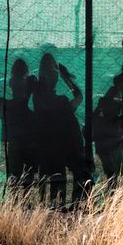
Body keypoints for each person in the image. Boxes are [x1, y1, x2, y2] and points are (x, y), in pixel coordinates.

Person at [33, 53, 91, 209]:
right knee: (57, 185)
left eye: (54, 69)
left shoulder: (54, 100)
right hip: (56, 147)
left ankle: (69, 208)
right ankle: (70, 208)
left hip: (59, 146)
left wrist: (64, 77)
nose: (54, 73)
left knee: (57, 186)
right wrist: (67, 78)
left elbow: (78, 97)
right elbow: (78, 97)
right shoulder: (49, 98)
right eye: (51, 69)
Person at [0, 59, 38, 197]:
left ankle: (18, 205)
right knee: (21, 181)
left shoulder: (6, 104)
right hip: (18, 146)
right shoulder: (8, 104)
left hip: (21, 145)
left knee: (19, 181)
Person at [93, 74, 123, 189]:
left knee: (111, 183)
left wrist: (97, 109)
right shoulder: (120, 125)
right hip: (116, 167)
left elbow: (87, 131)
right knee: (116, 182)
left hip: (104, 168)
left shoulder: (97, 121)